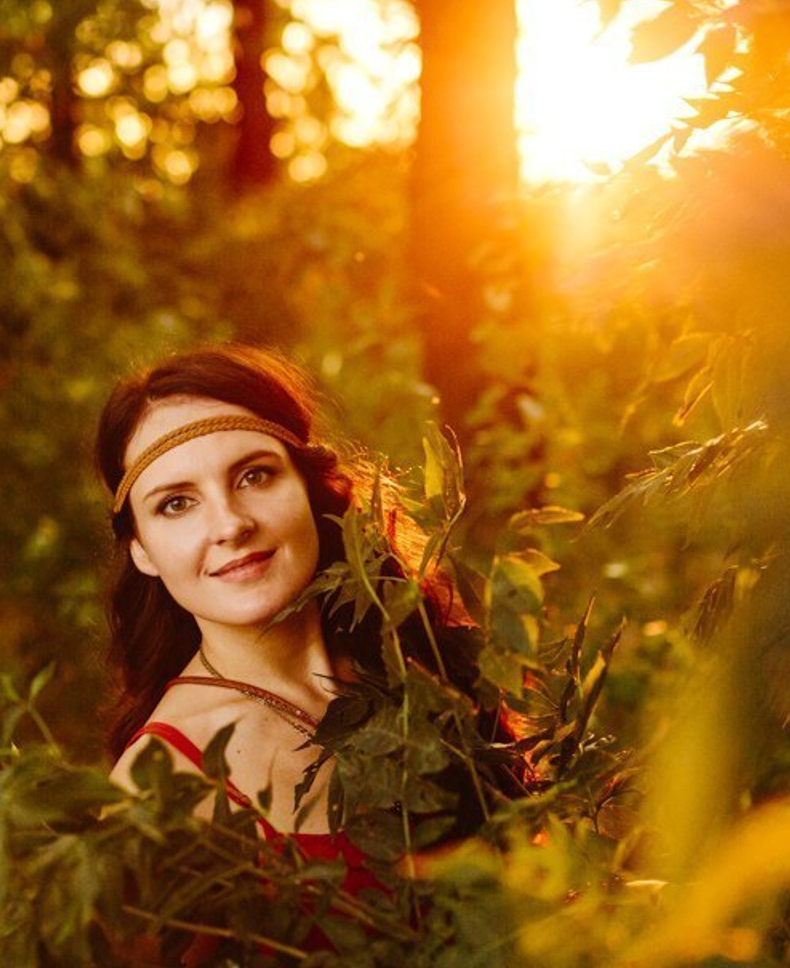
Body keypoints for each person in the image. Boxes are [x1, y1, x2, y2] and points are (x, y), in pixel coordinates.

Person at [97, 343, 508, 870]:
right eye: (177, 504)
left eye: (255, 476)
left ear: (309, 486)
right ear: (142, 550)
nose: (231, 524)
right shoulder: (155, 793)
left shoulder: (424, 659)